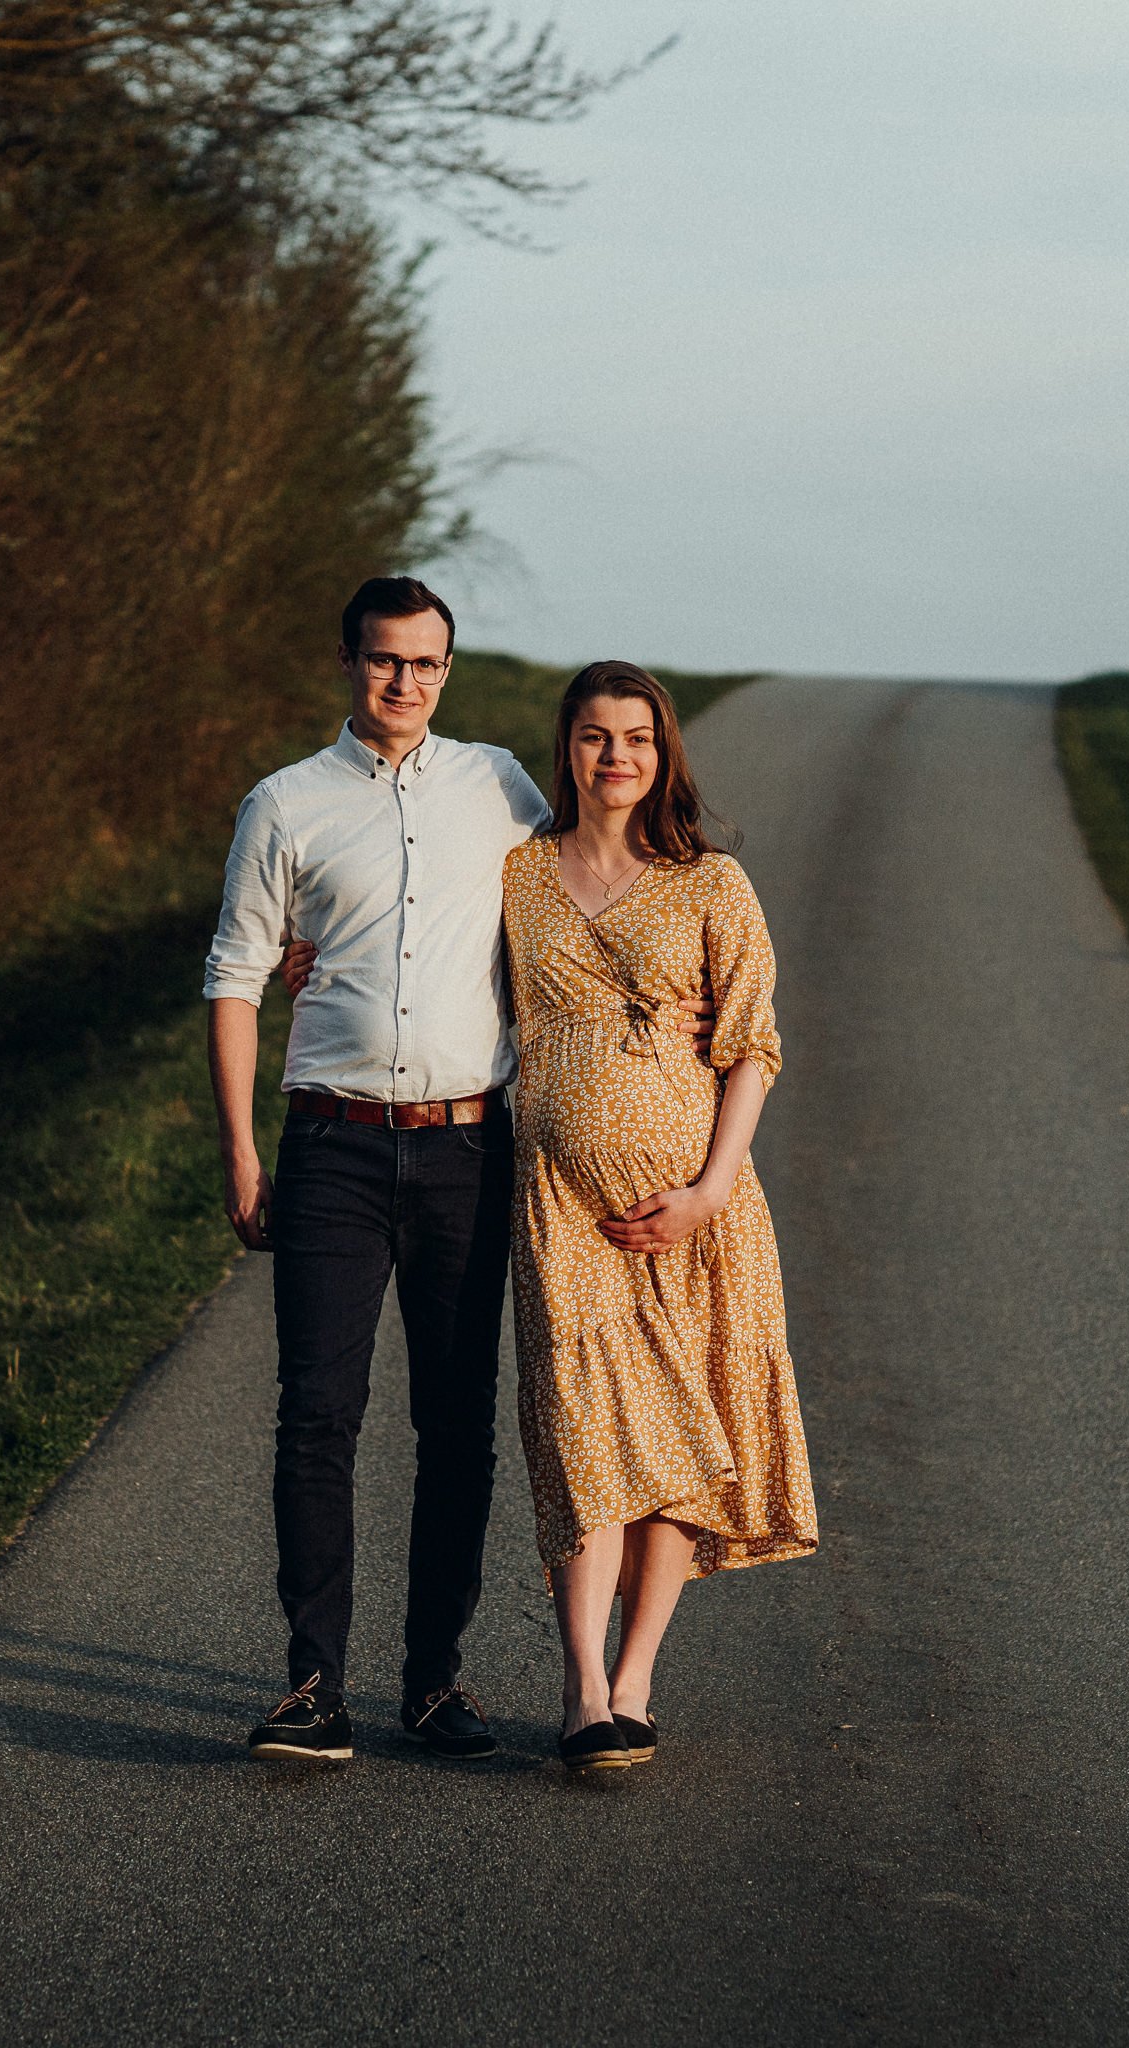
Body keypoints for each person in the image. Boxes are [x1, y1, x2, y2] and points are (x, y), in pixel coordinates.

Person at [204, 580, 713, 1763]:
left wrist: (679, 996)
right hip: (328, 1144)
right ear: (348, 661)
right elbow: (234, 973)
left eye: (428, 665)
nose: (406, 684)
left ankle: (432, 1683)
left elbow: (590, 884)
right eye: (386, 662)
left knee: (458, 1425)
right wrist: (239, 1149)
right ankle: (312, 1685)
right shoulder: (283, 805)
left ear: (449, 669)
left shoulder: (498, 785)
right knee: (317, 1415)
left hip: (467, 1146)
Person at [500, 661, 818, 1771]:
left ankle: (635, 1677)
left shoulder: (711, 883)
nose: (616, 756)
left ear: (664, 751)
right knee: (588, 1436)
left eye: (636, 737)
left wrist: (711, 1188)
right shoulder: (517, 872)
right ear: (568, 747)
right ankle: (582, 1689)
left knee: (678, 1442)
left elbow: (753, 1045)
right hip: (561, 1206)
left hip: (695, 1205)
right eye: (595, 736)